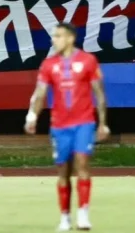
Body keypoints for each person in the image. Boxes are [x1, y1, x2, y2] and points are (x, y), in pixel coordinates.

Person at [25, 23, 110, 232]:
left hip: (84, 122)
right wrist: (33, 116)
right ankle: (64, 217)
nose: (54, 39)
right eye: (53, 36)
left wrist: (103, 123)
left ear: (70, 38)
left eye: (58, 36)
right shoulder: (48, 64)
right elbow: (40, 93)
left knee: (82, 165)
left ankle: (83, 214)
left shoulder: (88, 60)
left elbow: (99, 94)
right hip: (59, 125)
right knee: (63, 171)